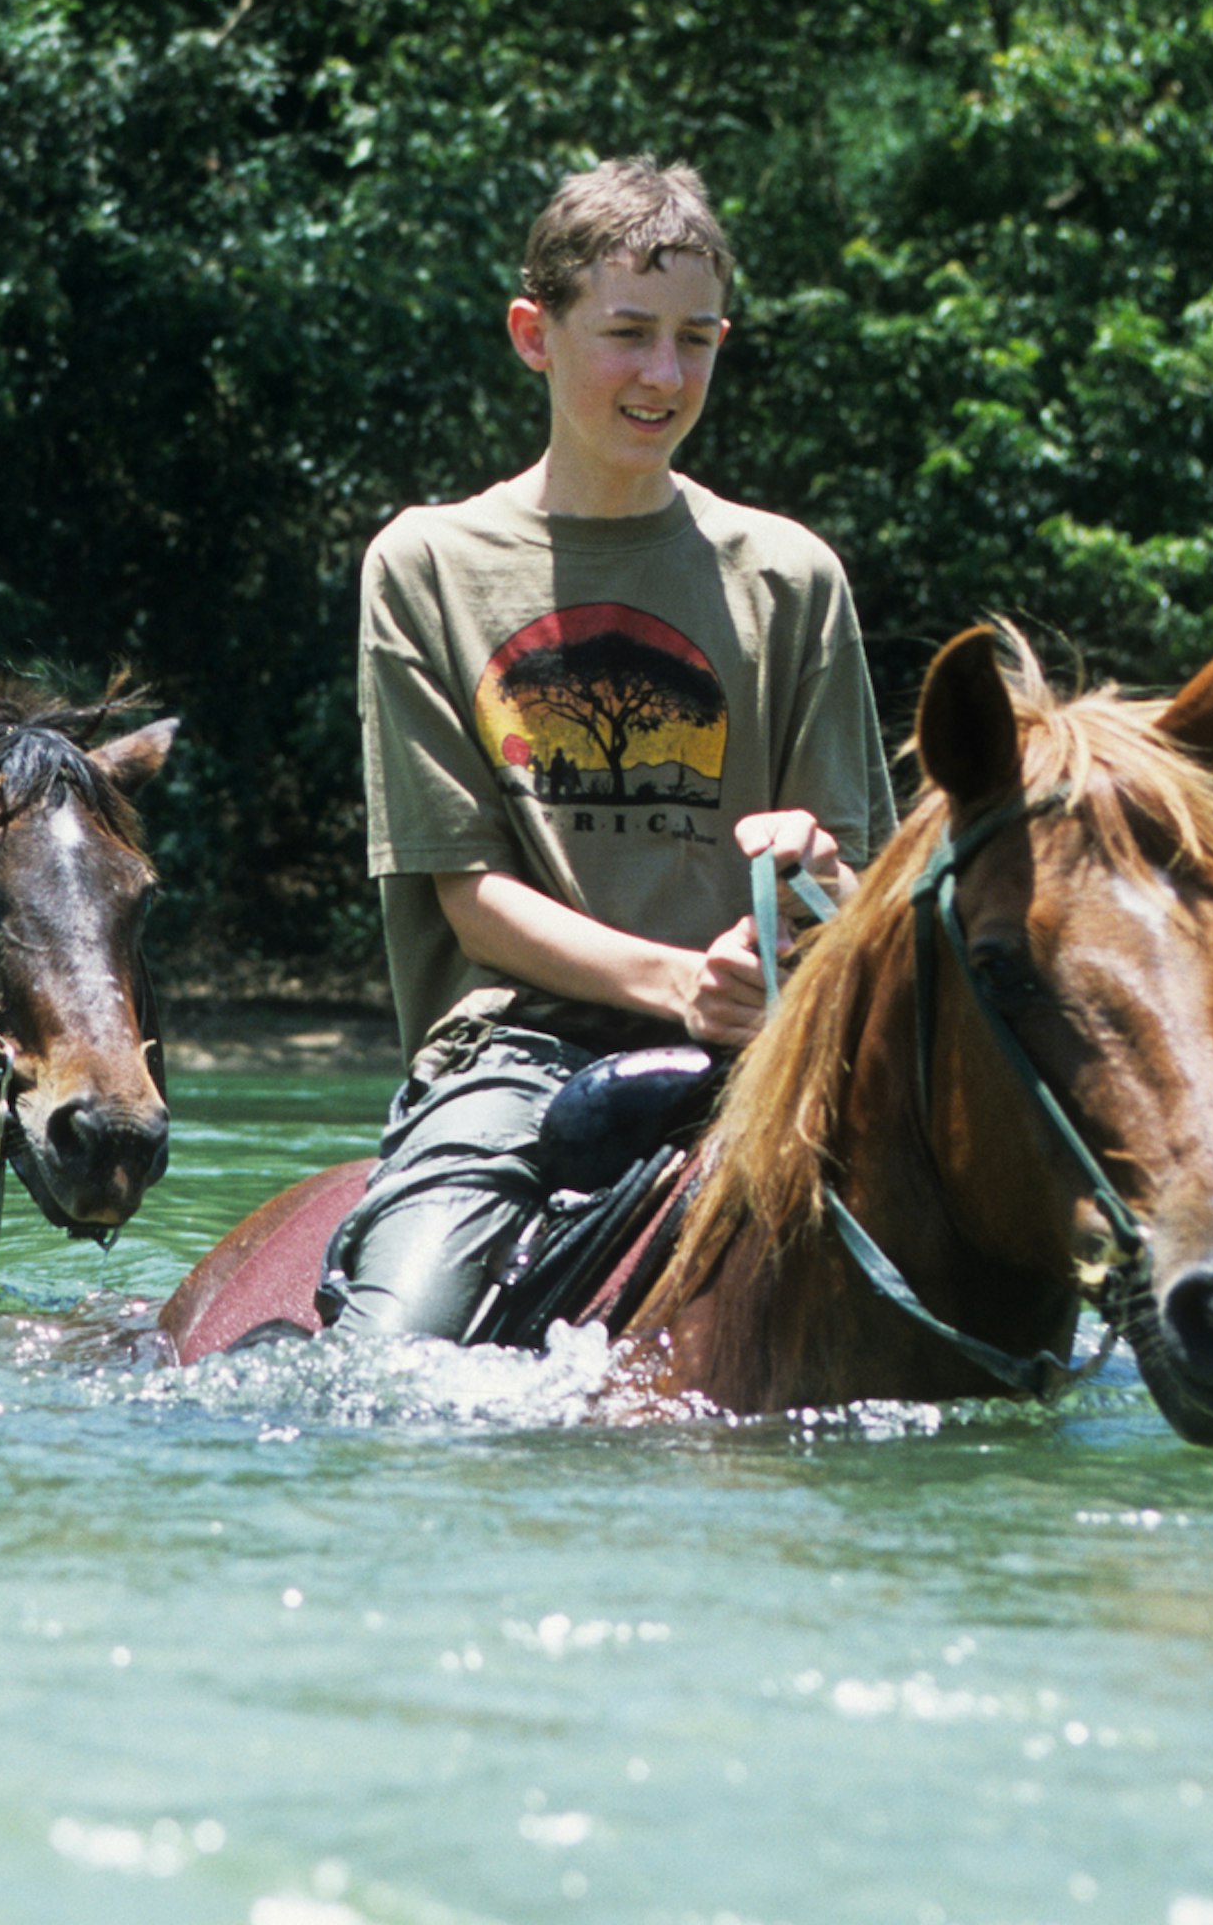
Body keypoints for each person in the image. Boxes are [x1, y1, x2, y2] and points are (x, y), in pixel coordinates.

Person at [326, 159, 896, 1339]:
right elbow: (468, 897)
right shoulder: (428, 562)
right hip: (520, 1056)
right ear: (535, 334)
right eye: (627, 333)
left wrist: (810, 873)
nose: (664, 375)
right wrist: (679, 982)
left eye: (695, 339)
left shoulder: (792, 574)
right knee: (395, 1359)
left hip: (774, 1053)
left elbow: (860, 894)